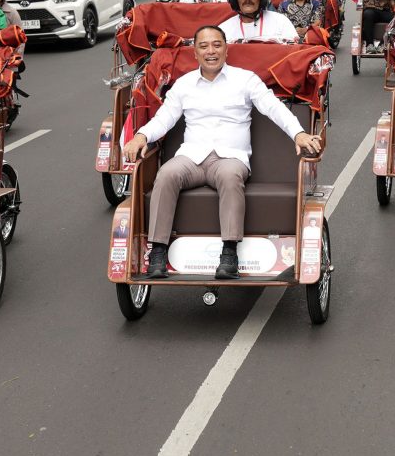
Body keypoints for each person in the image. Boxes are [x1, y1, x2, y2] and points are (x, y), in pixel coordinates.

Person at [121, 26, 321, 279]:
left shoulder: (245, 79)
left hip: (230, 158)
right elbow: (164, 119)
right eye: (204, 46)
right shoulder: (183, 85)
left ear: (226, 49)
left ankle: (229, 253)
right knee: (166, 174)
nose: (211, 51)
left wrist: (298, 133)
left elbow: (274, 108)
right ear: (195, 53)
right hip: (191, 157)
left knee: (229, 176)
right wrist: (141, 136)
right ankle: (158, 251)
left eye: (217, 45)